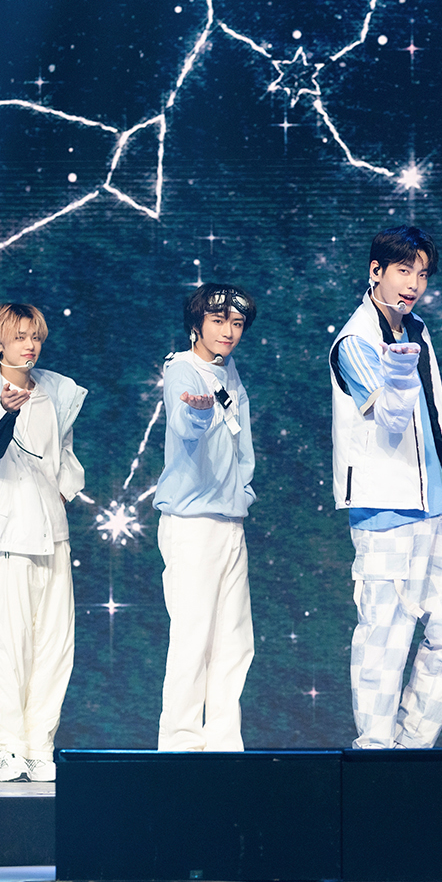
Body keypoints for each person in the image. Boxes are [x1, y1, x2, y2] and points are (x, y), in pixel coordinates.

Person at [329, 225, 442, 749]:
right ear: (375, 271)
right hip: (385, 510)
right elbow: (391, 419)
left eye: (422, 273)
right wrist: (396, 374)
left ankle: (411, 742)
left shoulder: (414, 328)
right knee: (385, 637)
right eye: (402, 270)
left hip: (434, 505)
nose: (414, 283)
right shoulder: (355, 342)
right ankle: (375, 751)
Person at [0, 303, 86, 782]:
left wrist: (65, 489)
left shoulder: (57, 391)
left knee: (55, 645)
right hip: (9, 532)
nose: (30, 345)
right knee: (11, 645)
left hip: (53, 531)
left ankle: (39, 745)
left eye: (35, 336)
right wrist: (4, 410)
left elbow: (65, 452)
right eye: (19, 337)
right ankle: (9, 747)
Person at [153, 283, 258, 751]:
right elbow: (184, 424)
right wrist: (197, 414)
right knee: (192, 638)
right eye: (218, 321)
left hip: (229, 519)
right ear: (197, 325)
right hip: (192, 523)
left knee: (234, 641)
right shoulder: (182, 369)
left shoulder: (227, 370)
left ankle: (223, 744)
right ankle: (179, 746)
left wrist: (243, 492)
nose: (228, 332)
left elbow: (240, 440)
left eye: (236, 323)